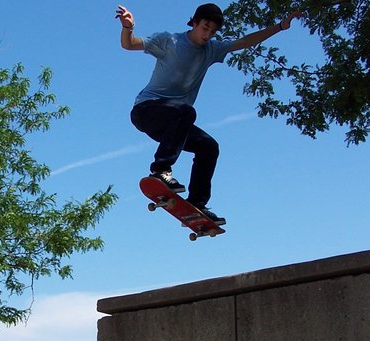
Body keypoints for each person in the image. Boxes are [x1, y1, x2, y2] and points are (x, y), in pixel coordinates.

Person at [116, 3, 301, 224]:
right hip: (147, 110)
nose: (208, 35)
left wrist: (280, 26)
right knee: (185, 111)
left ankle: (197, 203)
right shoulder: (170, 41)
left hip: (174, 124)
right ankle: (160, 170)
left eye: (213, 31)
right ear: (194, 22)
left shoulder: (212, 50)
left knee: (208, 146)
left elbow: (246, 41)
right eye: (205, 28)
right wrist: (128, 28)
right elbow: (129, 45)